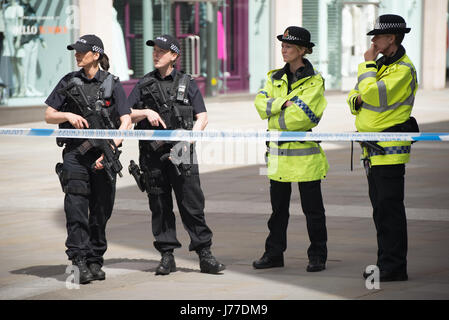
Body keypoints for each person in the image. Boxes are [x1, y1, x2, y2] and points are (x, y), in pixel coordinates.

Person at [127, 34, 225, 275]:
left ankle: (205, 254)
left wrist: (188, 141)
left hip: (182, 152)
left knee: (192, 204)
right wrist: (145, 112)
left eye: (161, 50)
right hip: (152, 154)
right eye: (154, 50)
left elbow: (202, 117)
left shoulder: (187, 83)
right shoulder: (144, 84)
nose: (156, 54)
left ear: (174, 56)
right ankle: (166, 255)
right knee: (159, 206)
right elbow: (127, 114)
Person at [44, 34, 132, 284]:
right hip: (75, 155)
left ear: (96, 54)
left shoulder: (112, 84)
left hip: (105, 154)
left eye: (81, 51)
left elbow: (125, 120)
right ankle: (78, 261)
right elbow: (49, 115)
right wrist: (67, 116)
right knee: (76, 208)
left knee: (102, 209)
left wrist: (112, 147)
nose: (76, 54)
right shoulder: (68, 81)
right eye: (75, 51)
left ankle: (95, 259)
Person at [347, 14, 418, 282]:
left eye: (377, 36)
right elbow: (354, 97)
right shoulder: (381, 66)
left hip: (389, 150)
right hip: (372, 150)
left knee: (390, 210)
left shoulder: (402, 69)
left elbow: (372, 94)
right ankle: (384, 261)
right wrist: (361, 94)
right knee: (380, 211)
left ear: (391, 38)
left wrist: (366, 65)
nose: (373, 41)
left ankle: (395, 266)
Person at [253, 26, 329, 272]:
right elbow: (259, 105)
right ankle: (274, 254)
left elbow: (304, 116)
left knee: (313, 211)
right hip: (277, 156)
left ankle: (318, 255)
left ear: (302, 50)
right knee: (277, 212)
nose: (283, 50)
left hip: (305, 157)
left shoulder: (315, 81)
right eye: (282, 46)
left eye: (288, 46)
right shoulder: (273, 76)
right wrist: (282, 103)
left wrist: (276, 108)